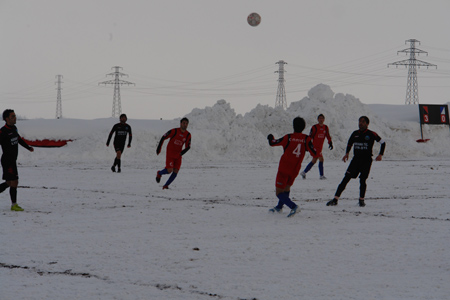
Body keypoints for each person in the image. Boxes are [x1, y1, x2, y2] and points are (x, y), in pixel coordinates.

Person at [327, 116, 385, 207]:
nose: (360, 123)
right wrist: (347, 153)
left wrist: (380, 154)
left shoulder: (371, 134)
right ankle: (335, 199)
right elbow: (350, 143)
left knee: (362, 180)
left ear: (367, 124)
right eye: (359, 121)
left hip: (366, 161)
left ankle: (361, 200)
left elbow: (383, 142)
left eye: (362, 122)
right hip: (356, 160)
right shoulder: (355, 133)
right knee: (346, 178)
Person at [267, 117, 316, 217]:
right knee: (286, 188)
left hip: (284, 168)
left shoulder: (288, 137)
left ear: (293, 126)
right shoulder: (306, 139)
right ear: (303, 127)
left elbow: (272, 143)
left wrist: (270, 137)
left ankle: (293, 206)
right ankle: (279, 207)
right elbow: (314, 152)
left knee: (279, 192)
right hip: (295, 169)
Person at [0, 109, 34, 211]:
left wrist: (28, 147)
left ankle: (13, 204)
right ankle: (14, 205)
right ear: (7, 119)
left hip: (12, 160)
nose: (15, 118)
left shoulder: (14, 128)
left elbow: (19, 139)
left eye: (15, 116)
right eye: (12, 116)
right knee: (14, 182)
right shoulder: (3, 131)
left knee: (10, 183)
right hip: (7, 161)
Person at [156, 117, 191, 189]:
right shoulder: (174, 131)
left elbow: (188, 147)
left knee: (176, 171)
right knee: (169, 170)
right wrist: (159, 148)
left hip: (178, 154)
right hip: (170, 153)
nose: (185, 125)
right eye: (184, 123)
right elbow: (163, 137)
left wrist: (181, 154)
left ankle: (165, 186)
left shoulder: (188, 135)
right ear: (180, 123)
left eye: (186, 124)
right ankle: (159, 173)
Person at [300, 114, 333, 180]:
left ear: (324, 120)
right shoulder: (314, 127)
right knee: (321, 159)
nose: (321, 120)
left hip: (320, 147)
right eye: (320, 118)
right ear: (317, 119)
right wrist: (308, 145)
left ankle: (304, 172)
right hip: (314, 147)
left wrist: (330, 143)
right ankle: (321, 175)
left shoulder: (325, 127)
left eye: (322, 118)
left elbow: (328, 136)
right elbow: (310, 137)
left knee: (314, 160)